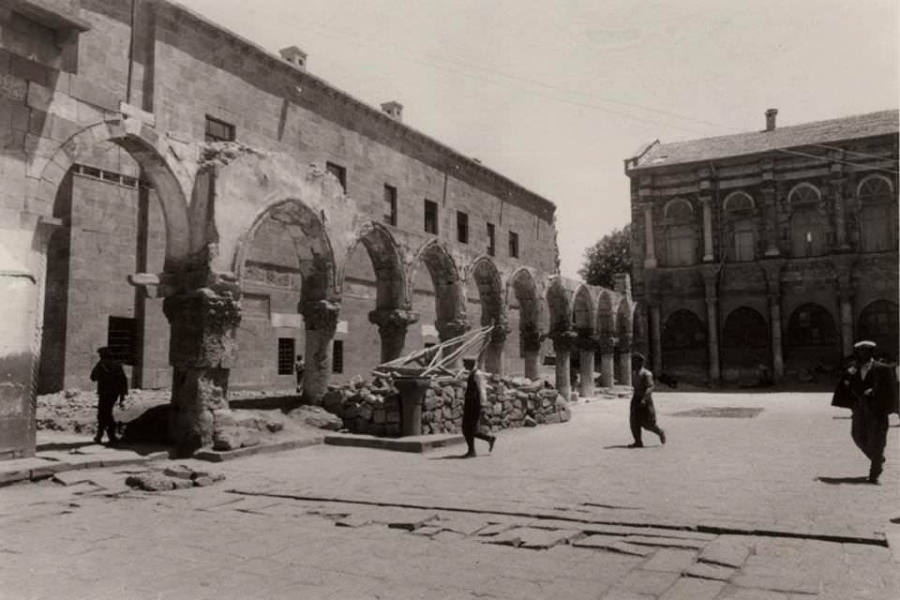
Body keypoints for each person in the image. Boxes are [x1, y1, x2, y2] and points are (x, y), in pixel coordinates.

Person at [832, 340, 899, 484]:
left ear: (871, 352)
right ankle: (878, 458)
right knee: (857, 435)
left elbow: (891, 390)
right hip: (859, 408)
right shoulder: (853, 369)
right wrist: (848, 378)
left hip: (877, 409)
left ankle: (874, 473)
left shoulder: (883, 369)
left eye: (866, 351)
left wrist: (877, 394)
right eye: (860, 351)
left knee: (878, 440)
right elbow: (844, 385)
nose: (862, 354)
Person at [89, 347, 128, 444]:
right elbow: (124, 381)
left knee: (104, 414)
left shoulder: (101, 364)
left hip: (105, 393)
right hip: (115, 394)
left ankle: (109, 436)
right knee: (106, 413)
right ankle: (103, 436)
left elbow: (93, 377)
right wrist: (122, 397)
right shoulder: (117, 365)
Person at [462, 350, 497, 458]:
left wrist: (483, 405)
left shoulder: (477, 374)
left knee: (468, 427)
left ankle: (472, 451)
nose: (464, 365)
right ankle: (488, 439)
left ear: (470, 363)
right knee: (468, 428)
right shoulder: (472, 373)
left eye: (465, 363)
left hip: (475, 404)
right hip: (470, 403)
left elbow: (482, 389)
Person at [628, 352, 666, 448]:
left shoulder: (646, 374)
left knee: (648, 423)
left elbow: (650, 387)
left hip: (645, 400)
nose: (634, 363)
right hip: (636, 399)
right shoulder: (634, 373)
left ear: (641, 362)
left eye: (636, 361)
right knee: (634, 422)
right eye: (633, 361)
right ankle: (638, 441)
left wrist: (644, 398)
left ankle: (660, 432)